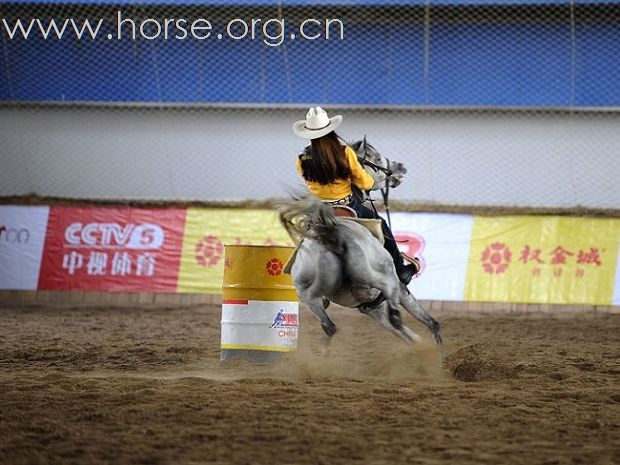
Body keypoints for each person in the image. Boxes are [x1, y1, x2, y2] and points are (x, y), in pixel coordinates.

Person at [292, 106, 416, 284]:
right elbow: (364, 182)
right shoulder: (344, 152)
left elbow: (308, 182)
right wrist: (370, 182)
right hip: (347, 206)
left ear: (308, 134)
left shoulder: (301, 158)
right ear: (330, 130)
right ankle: (400, 270)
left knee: (305, 235)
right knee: (381, 224)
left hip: (318, 210)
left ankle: (302, 272)